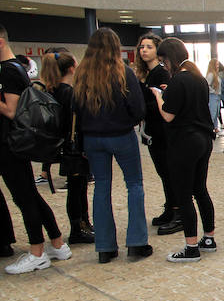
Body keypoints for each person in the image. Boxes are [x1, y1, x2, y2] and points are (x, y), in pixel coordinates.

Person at [72, 27, 152, 264]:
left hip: (92, 138)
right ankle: (137, 242)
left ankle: (105, 247)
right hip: (121, 135)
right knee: (134, 184)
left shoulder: (82, 75)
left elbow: (76, 109)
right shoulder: (123, 73)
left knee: (101, 187)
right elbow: (138, 108)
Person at [0, 24, 72, 273]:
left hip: (11, 143)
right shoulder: (12, 68)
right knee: (29, 194)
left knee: (24, 197)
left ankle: (37, 252)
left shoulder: (9, 70)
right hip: (12, 142)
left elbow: (12, 110)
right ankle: (57, 243)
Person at [151, 37, 216, 262]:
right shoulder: (198, 78)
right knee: (200, 190)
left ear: (170, 58)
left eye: (164, 61)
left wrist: (158, 96)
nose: (164, 66)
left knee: (184, 194)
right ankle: (209, 238)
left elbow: (168, 115)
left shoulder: (178, 80)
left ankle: (191, 247)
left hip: (185, 142)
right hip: (204, 140)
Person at [40, 50, 93, 245]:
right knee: (77, 190)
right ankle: (78, 229)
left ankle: (83, 224)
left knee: (77, 188)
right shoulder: (69, 93)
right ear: (72, 68)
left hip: (65, 147)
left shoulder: (54, 90)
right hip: (74, 149)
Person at [134, 32, 181, 235]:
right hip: (152, 130)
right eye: (142, 47)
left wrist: (142, 108)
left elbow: (164, 103)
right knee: (163, 172)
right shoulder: (147, 74)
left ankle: (178, 211)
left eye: (149, 47)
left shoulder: (161, 73)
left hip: (163, 131)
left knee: (169, 172)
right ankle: (170, 208)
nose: (144, 50)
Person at [205, 59, 222, 135]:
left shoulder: (215, 74)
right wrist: (213, 91)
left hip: (217, 96)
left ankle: (215, 128)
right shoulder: (211, 75)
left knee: (216, 113)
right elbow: (207, 85)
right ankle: (210, 129)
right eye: (217, 64)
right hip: (213, 96)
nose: (218, 66)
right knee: (212, 112)